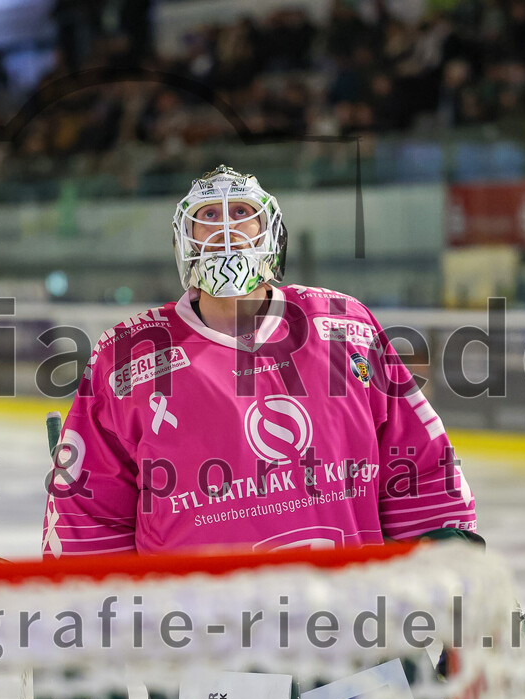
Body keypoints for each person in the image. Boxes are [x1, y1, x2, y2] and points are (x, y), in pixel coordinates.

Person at [43, 165, 480, 558]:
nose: (225, 231)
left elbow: (418, 468)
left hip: (349, 624)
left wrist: (454, 579)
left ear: (270, 232)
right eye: (208, 217)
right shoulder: (127, 356)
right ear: (183, 241)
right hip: (192, 637)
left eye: (240, 215)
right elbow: (91, 518)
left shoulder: (346, 324)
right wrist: (97, 621)